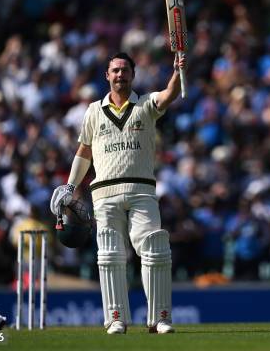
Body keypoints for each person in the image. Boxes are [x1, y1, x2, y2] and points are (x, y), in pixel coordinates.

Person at [50, 51, 185, 334]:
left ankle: (160, 318)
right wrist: (71, 186)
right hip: (104, 194)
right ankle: (116, 319)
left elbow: (170, 94)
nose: (120, 75)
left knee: (155, 249)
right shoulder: (93, 111)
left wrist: (177, 70)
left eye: (125, 70)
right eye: (115, 70)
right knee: (110, 255)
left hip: (141, 190)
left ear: (133, 75)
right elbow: (83, 152)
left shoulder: (146, 104)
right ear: (107, 75)